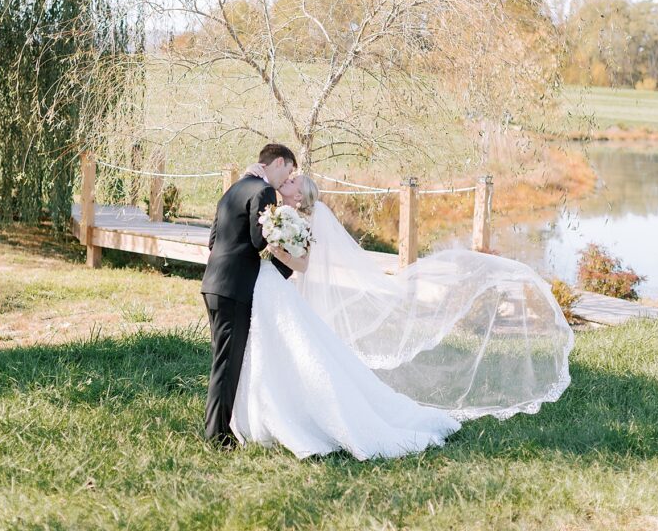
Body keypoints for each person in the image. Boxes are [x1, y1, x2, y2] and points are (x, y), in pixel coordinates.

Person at [227, 173, 575, 460]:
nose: (285, 183)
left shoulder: (300, 221)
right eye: (288, 180)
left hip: (278, 289)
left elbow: (302, 264)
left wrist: (273, 246)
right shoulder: (275, 212)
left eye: (292, 183)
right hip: (272, 289)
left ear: (300, 197)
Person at [200, 142, 297, 446]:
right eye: (289, 171)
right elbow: (257, 241)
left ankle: (216, 427)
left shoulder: (233, 189)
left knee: (222, 361)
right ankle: (217, 436)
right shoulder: (263, 191)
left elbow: (213, 238)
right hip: (236, 286)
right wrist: (281, 234)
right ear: (278, 162)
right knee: (227, 364)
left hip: (213, 282)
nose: (286, 180)